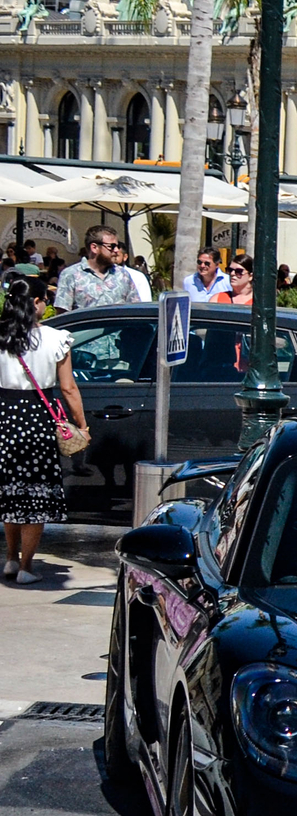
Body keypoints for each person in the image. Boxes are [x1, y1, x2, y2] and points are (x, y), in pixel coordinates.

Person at [0, 277, 84, 586]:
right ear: (35, 303)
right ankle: (26, 566)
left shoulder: (1, 337)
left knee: (10, 493)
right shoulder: (54, 339)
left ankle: (10, 558)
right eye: (44, 300)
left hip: (6, 418)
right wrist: (82, 426)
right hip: (37, 418)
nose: (47, 305)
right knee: (35, 498)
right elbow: (68, 388)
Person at [54, 227, 150, 313]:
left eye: (117, 246)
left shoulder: (122, 274)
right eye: (111, 246)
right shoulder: (71, 275)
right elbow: (63, 313)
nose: (116, 250)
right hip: (83, 332)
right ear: (94, 248)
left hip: (119, 332)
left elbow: (135, 308)